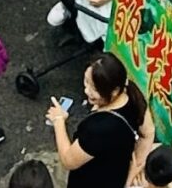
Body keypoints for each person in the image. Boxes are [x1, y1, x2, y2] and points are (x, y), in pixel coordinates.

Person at [48, 54, 148, 188]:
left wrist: (58, 121)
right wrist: (134, 170)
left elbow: (68, 160)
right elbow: (148, 133)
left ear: (114, 91)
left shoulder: (99, 129)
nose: (86, 90)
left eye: (95, 89)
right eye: (86, 82)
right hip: (116, 173)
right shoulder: (133, 94)